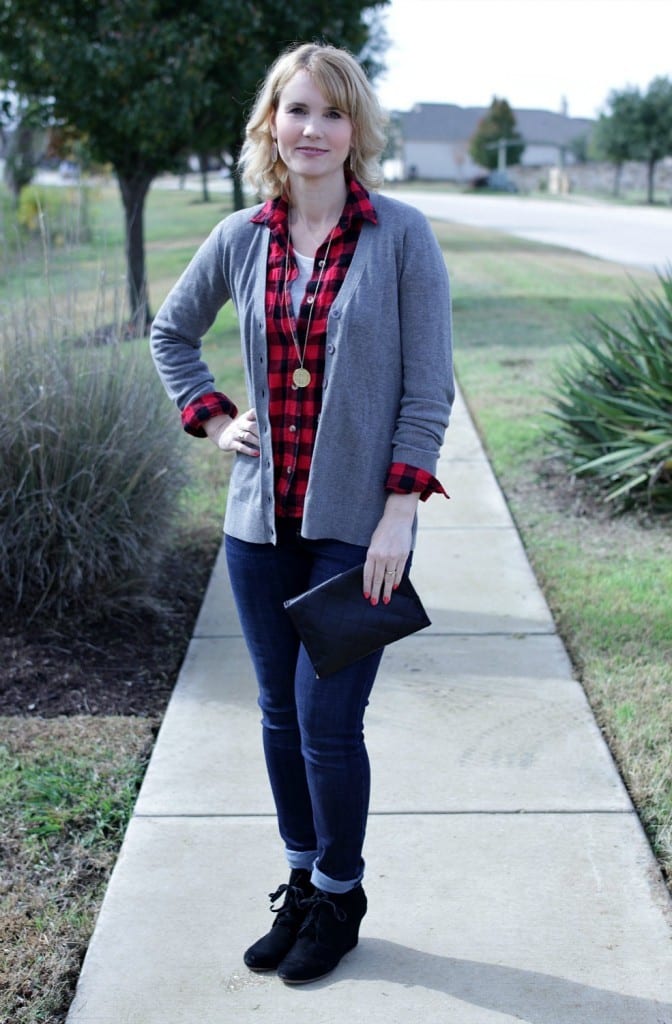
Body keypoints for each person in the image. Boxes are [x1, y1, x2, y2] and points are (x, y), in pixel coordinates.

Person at [150, 41, 453, 985]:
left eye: (330, 112)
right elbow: (171, 330)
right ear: (270, 126)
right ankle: (300, 882)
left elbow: (428, 385)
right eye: (296, 111)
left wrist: (400, 508)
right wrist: (211, 417)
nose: (312, 129)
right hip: (258, 524)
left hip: (354, 528)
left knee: (330, 722)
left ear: (355, 128)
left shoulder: (401, 235)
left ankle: (342, 892)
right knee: (279, 715)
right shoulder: (242, 235)